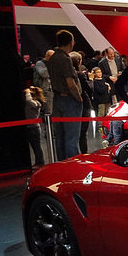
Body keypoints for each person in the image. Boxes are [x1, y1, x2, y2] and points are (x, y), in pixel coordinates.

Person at [49, 30, 83, 160]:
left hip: (57, 99)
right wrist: (79, 98)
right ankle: (72, 166)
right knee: (71, 138)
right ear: (71, 42)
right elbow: (70, 83)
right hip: (69, 100)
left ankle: (62, 164)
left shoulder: (52, 58)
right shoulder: (65, 59)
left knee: (60, 137)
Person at [71, 52, 93, 154]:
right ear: (79, 61)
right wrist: (90, 81)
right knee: (83, 133)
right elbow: (89, 89)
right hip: (83, 104)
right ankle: (84, 154)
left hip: (71, 104)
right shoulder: (80, 74)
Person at [25, 87, 45, 167]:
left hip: (34, 128)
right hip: (31, 127)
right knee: (34, 146)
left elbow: (28, 101)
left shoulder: (36, 103)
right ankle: (38, 162)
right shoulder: (33, 103)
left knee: (37, 146)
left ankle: (40, 162)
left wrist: (27, 92)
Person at [89, 67, 112, 136]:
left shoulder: (103, 80)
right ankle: (100, 127)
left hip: (107, 99)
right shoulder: (95, 82)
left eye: (100, 72)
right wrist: (106, 86)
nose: (100, 73)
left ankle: (107, 126)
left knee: (107, 113)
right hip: (100, 101)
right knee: (101, 114)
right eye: (98, 72)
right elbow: (100, 90)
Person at [33, 49, 54, 114]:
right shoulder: (40, 64)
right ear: (47, 56)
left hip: (54, 89)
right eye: (51, 57)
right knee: (48, 111)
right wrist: (50, 64)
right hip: (45, 89)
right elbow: (44, 74)